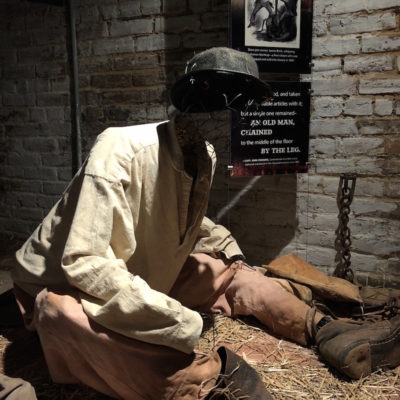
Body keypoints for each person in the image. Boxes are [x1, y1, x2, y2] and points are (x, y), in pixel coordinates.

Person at [10, 47, 400, 399]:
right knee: (58, 312)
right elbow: (84, 262)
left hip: (138, 270)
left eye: (237, 107)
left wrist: (229, 251)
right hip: (58, 281)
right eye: (217, 103)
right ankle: (207, 383)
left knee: (225, 273)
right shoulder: (119, 148)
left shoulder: (205, 155)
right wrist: (179, 319)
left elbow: (184, 218)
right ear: (190, 102)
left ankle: (325, 331)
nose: (227, 118)